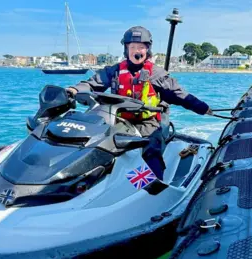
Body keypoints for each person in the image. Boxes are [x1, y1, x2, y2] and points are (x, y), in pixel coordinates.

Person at [66, 26, 212, 182]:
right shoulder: (114, 71)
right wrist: (73, 90)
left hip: (149, 122)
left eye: (141, 47)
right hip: (121, 121)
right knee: (98, 143)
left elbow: (180, 95)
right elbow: (92, 83)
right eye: (133, 47)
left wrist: (203, 108)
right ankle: (94, 183)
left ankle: (152, 189)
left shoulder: (157, 74)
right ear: (126, 49)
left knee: (150, 150)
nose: (137, 50)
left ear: (147, 50)